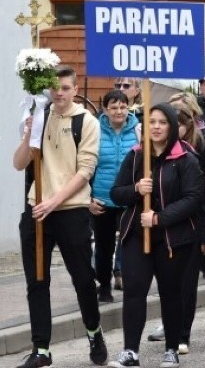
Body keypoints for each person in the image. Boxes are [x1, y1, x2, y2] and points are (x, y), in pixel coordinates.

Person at [11, 66, 106, 368]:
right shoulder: (39, 115)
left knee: (82, 279)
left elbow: (85, 170)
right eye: (55, 88)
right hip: (36, 209)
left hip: (71, 209)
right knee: (37, 281)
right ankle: (42, 349)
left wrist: (53, 201)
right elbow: (19, 163)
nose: (59, 94)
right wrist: (28, 135)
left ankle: (94, 332)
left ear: (75, 89)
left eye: (65, 88)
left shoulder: (86, 121)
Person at [107, 104, 202, 368]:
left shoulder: (186, 158)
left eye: (162, 122)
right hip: (137, 234)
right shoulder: (136, 156)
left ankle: (171, 348)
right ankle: (130, 351)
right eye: (152, 122)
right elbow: (116, 193)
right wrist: (137, 189)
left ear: (172, 126)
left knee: (171, 292)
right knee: (134, 290)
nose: (156, 127)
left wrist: (160, 218)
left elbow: (193, 198)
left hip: (173, 238)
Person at [172, 102, 205, 352]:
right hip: (168, 225)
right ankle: (171, 323)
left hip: (195, 224)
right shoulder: (153, 150)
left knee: (198, 274)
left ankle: (186, 331)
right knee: (170, 280)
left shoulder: (199, 147)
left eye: (178, 124)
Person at [90, 90, 139, 304]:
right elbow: (85, 166)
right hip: (103, 199)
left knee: (130, 244)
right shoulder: (94, 130)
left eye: (122, 107)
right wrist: (88, 198)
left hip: (129, 197)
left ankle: (129, 281)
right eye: (113, 107)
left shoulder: (137, 130)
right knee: (103, 246)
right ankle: (104, 286)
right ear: (105, 109)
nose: (119, 111)